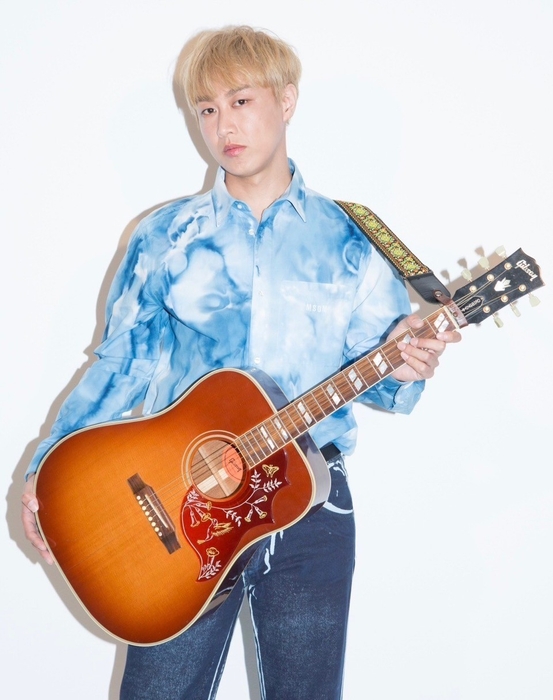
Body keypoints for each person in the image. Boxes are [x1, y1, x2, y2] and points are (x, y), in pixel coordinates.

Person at [21, 25, 461, 699]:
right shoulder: (164, 237)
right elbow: (121, 363)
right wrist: (49, 466)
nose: (222, 124)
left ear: (287, 101)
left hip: (309, 505)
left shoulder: (352, 236)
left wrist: (406, 364)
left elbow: (380, 377)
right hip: (174, 504)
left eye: (241, 100)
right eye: (206, 108)